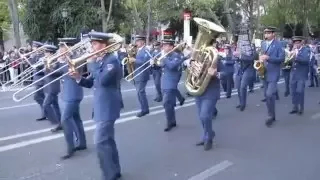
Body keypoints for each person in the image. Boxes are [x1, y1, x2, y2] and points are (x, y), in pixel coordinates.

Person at [69, 31, 122, 180]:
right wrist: (78, 77)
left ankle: (109, 175)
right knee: (108, 141)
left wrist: (91, 62)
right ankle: (114, 171)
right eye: (92, 44)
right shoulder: (101, 61)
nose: (92, 48)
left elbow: (103, 81)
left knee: (100, 141)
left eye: (95, 44)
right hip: (101, 106)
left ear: (104, 45)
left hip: (108, 106)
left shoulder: (112, 61)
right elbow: (91, 82)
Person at [57, 38, 87, 159]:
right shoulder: (66, 58)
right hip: (68, 93)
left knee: (65, 120)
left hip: (74, 94)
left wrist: (60, 61)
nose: (59, 50)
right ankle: (82, 143)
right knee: (76, 118)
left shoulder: (76, 58)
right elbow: (56, 72)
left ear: (68, 47)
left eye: (61, 47)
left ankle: (70, 148)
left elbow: (68, 72)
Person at [154, 39, 184, 131]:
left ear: (171, 47)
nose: (163, 47)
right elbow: (160, 66)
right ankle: (173, 121)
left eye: (166, 45)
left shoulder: (177, 56)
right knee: (170, 103)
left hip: (171, 82)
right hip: (164, 81)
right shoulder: (165, 56)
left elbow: (171, 66)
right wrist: (154, 63)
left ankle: (169, 123)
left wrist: (164, 58)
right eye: (163, 45)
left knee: (166, 103)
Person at [260, 26, 285, 127]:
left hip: (274, 73)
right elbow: (261, 55)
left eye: (269, 33)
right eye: (265, 33)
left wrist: (269, 58)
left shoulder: (279, 44)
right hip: (264, 72)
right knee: (267, 96)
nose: (266, 35)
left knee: (269, 94)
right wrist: (260, 59)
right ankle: (272, 114)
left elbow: (281, 59)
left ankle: (270, 115)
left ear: (273, 34)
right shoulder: (263, 44)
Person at [130, 35, 150, 117]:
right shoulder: (138, 50)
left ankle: (145, 110)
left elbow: (145, 62)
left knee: (140, 92)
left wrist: (134, 60)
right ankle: (144, 108)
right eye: (136, 41)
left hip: (142, 74)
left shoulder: (146, 50)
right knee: (139, 93)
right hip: (138, 74)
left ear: (143, 42)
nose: (136, 43)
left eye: (138, 41)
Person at [289, 36, 310, 115]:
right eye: (295, 42)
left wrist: (296, 55)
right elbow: (289, 61)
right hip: (293, 74)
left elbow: (305, 60)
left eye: (298, 42)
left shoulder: (306, 50)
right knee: (293, 91)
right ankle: (295, 107)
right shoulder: (292, 50)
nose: (296, 44)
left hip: (301, 74)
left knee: (300, 91)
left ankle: (301, 107)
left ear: (301, 42)